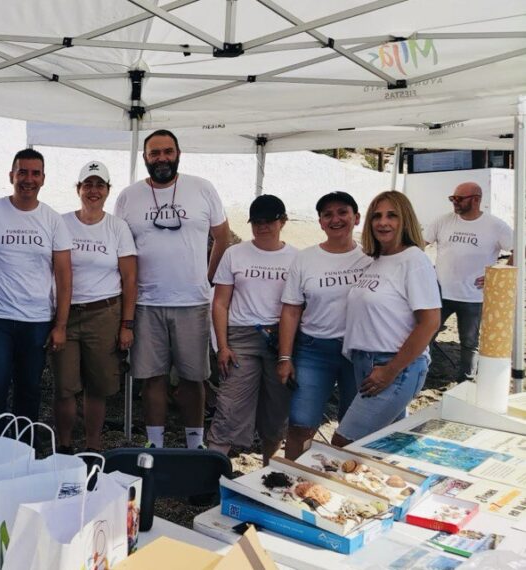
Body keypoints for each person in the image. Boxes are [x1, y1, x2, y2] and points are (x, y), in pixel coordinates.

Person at [114, 129, 231, 449]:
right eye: (154, 153)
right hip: (146, 304)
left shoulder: (202, 188)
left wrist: (208, 276)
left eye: (167, 151)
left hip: (192, 302)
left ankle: (195, 445)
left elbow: (223, 236)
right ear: (145, 158)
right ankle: (156, 445)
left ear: (178, 154)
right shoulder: (128, 196)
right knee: (152, 378)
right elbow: (120, 246)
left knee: (195, 378)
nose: (161, 158)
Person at [0, 148, 72, 431]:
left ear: (43, 179)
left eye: (35, 173)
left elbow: (64, 276)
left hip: (37, 320)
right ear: (11, 175)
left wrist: (60, 325)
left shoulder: (52, 220)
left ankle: (24, 449)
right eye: (22, 172)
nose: (29, 179)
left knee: (29, 390)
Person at [333, 191, 440, 446]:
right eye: (377, 216)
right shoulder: (377, 260)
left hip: (393, 366)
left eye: (392, 216)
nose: (383, 222)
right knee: (384, 446)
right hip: (366, 363)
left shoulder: (414, 260)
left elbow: (430, 322)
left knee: (343, 443)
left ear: (405, 220)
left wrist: (391, 370)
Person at [49, 160, 136, 453]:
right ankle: (64, 446)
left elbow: (130, 278)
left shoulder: (117, 227)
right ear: (78, 189)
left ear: (108, 190)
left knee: (97, 386)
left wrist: (126, 324)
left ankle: (92, 447)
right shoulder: (60, 222)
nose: (93, 191)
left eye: (100, 185)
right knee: (64, 385)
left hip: (104, 314)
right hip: (65, 314)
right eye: (88, 184)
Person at [278, 192, 371, 460]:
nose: (335, 219)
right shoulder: (305, 258)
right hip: (315, 350)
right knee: (301, 424)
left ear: (356, 218)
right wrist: (285, 357)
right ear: (320, 222)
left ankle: (344, 477)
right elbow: (291, 309)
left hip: (360, 351)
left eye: (342, 212)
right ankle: (290, 475)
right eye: (327, 214)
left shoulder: (371, 256)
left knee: (353, 428)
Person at [207, 195, 297, 465]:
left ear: (283, 221)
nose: (262, 227)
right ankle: (210, 469)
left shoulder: (297, 258)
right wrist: (222, 346)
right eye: (256, 222)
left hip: (280, 337)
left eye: (269, 221)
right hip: (241, 336)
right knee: (230, 404)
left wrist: (289, 352)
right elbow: (220, 302)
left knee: (277, 408)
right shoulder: (235, 254)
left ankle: (269, 468)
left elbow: (298, 306)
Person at [423, 182, 513, 382]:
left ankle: (466, 380)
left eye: (459, 199)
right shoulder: (443, 221)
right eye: (452, 198)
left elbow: (519, 249)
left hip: (473, 296)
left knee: (469, 342)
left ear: (476, 199)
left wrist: (498, 274)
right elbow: (420, 245)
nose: (454, 202)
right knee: (425, 336)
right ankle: (420, 374)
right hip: (439, 292)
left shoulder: (495, 225)